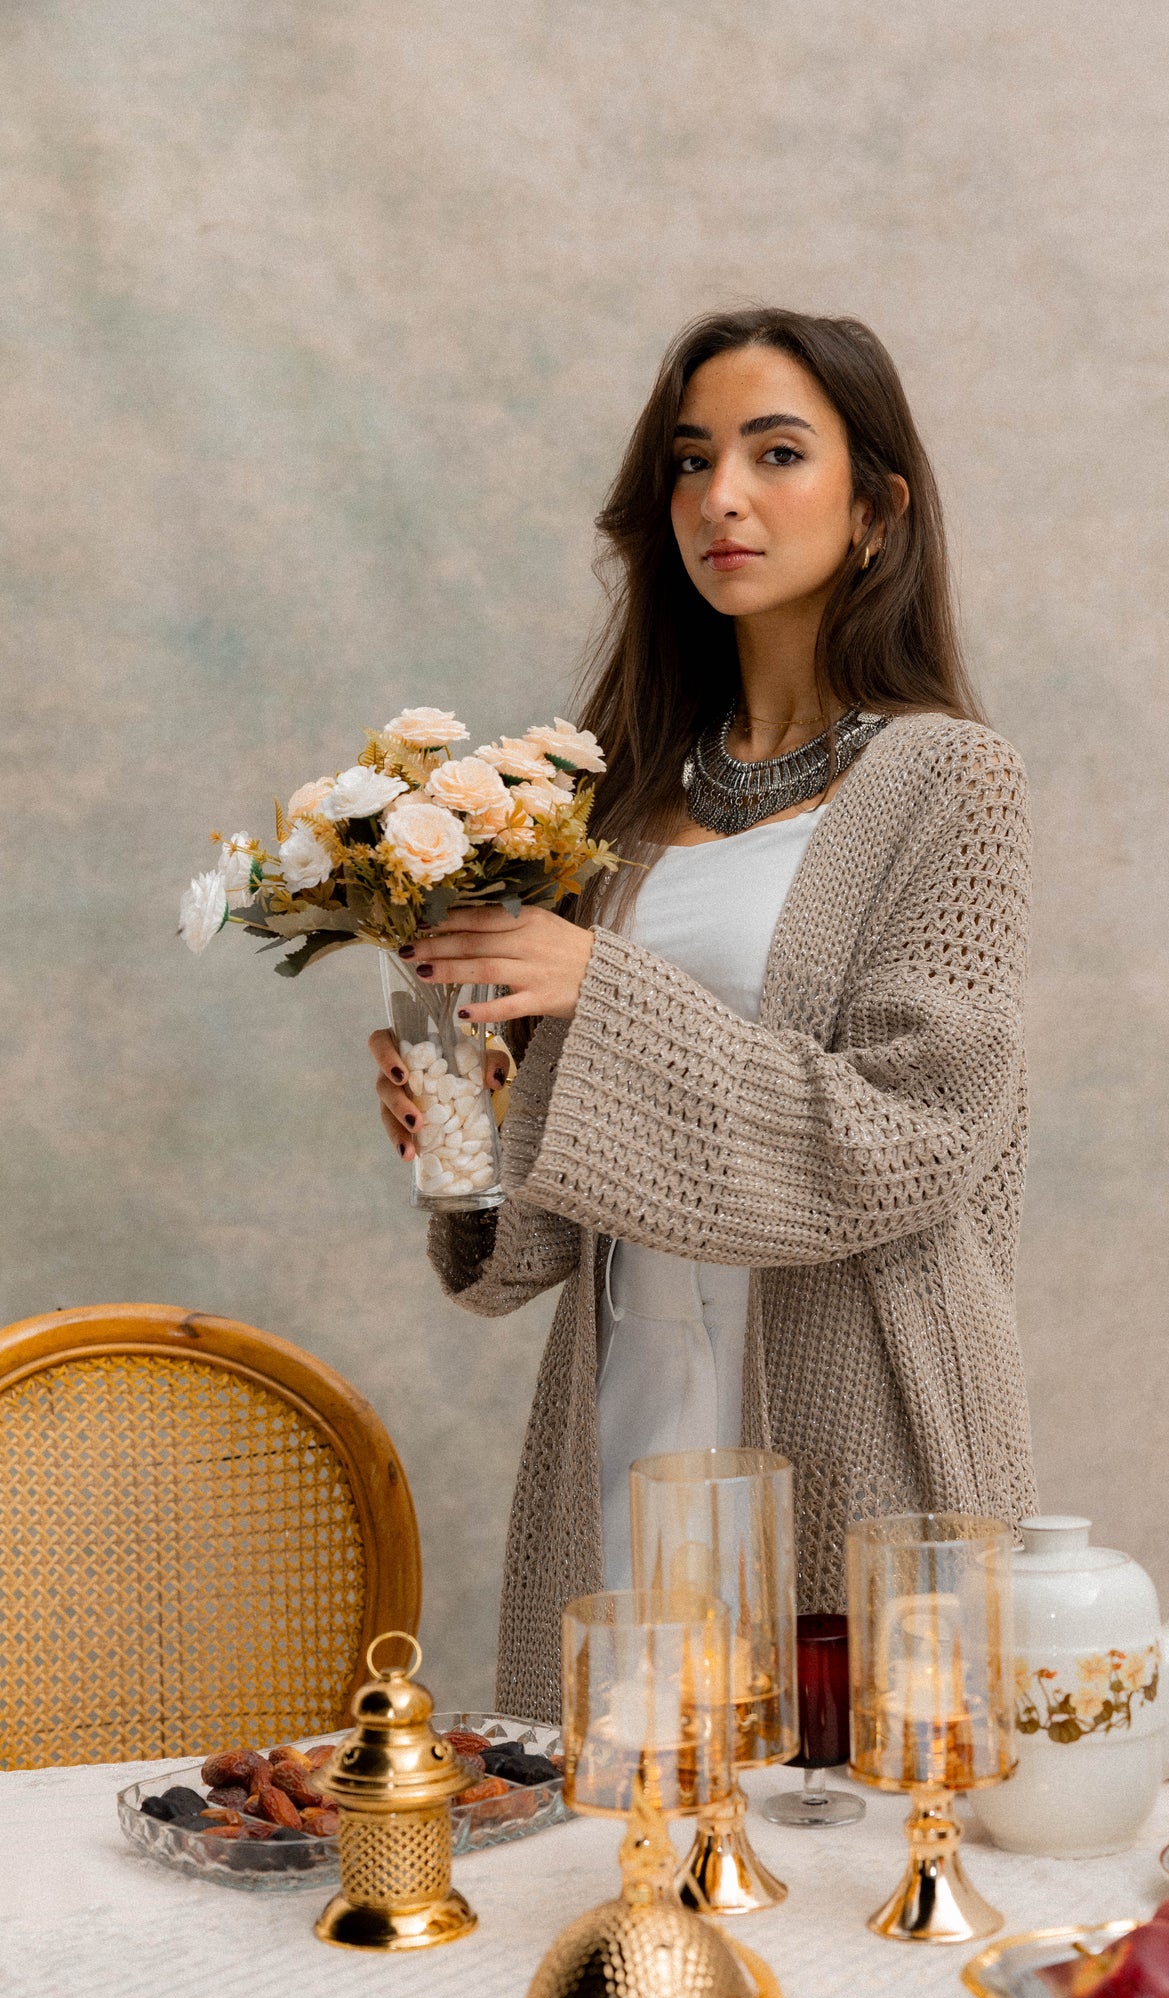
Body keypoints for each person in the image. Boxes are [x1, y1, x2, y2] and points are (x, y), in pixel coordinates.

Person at [368, 307, 1035, 1721]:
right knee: (615, 1836)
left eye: (775, 452)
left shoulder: (947, 783)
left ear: (875, 509)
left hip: (849, 1427)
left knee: (847, 1860)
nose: (718, 496)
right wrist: (470, 1140)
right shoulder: (618, 806)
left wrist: (597, 993)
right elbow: (558, 1221)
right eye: (688, 460)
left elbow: (917, 1135)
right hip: (630, 1419)